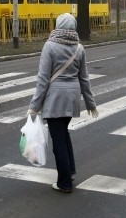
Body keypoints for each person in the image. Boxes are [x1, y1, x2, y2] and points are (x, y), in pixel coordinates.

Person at [27, 13, 99, 194]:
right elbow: (84, 78)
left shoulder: (50, 46)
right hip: (72, 97)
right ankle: (71, 171)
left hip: (55, 98)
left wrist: (34, 106)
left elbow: (43, 79)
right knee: (63, 134)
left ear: (58, 25)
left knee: (58, 140)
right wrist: (91, 104)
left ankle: (64, 182)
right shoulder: (79, 48)